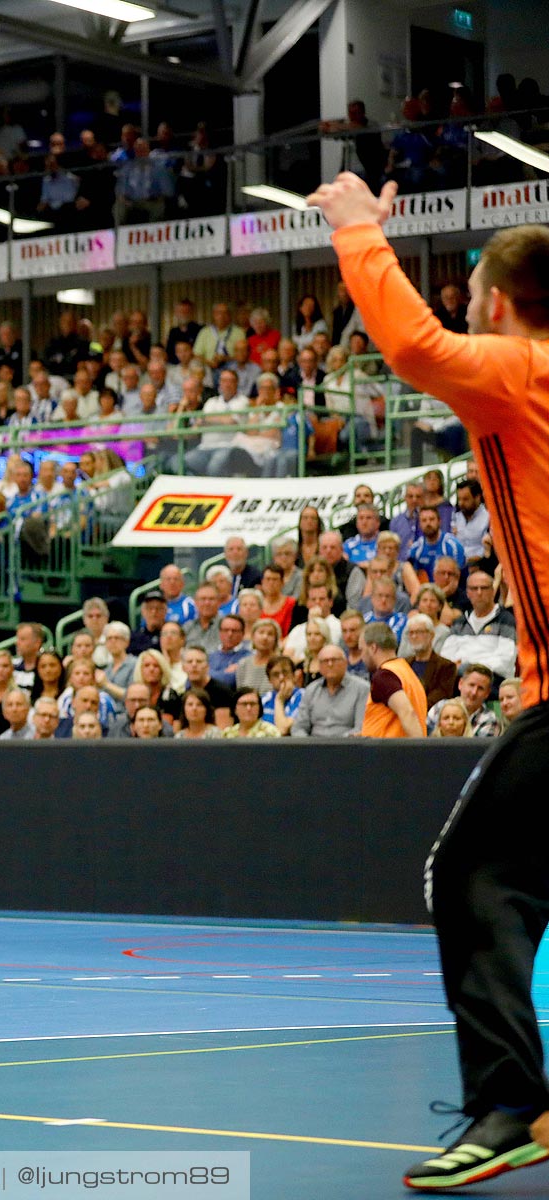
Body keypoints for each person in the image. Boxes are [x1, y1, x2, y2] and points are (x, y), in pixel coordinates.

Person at [315, 170, 549, 1187]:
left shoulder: (519, 365)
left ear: (497, 302)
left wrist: (360, 230)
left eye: (473, 296)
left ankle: (510, 1105)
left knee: (475, 876)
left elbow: (414, 348)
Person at [359, 622, 426, 739]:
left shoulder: (384, 676)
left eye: (362, 650)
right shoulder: (405, 670)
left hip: (390, 753)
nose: (361, 656)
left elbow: (407, 712)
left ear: (373, 648)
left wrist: (420, 750)